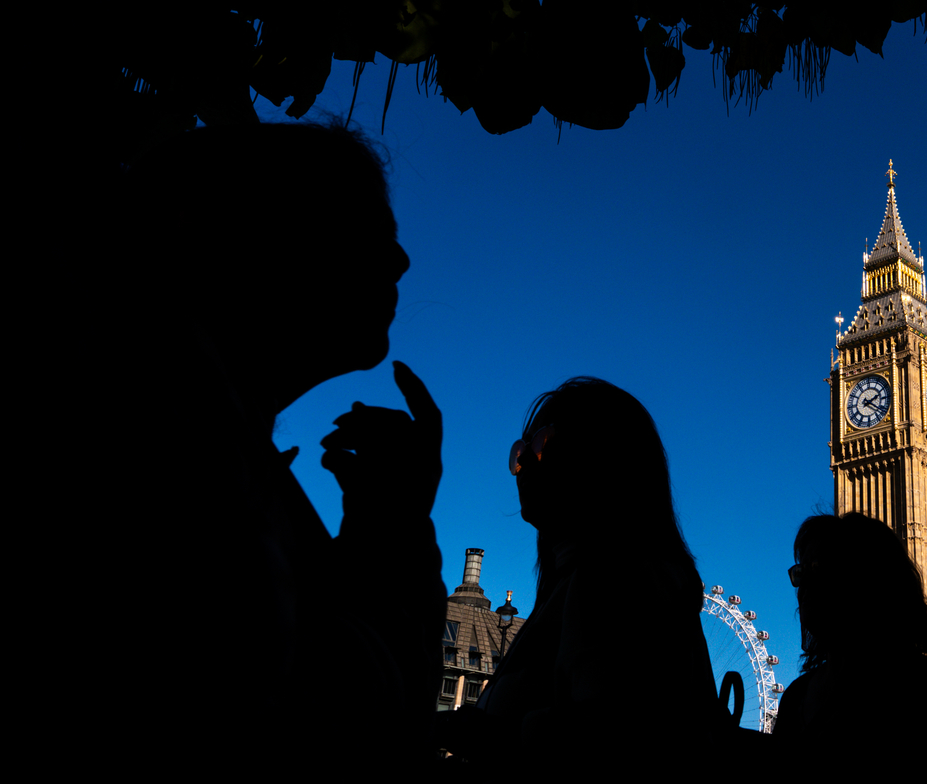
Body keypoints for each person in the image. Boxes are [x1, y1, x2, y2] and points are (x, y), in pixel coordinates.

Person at [79, 121, 445, 774]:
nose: (400, 261)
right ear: (231, 232)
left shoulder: (212, 428)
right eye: (362, 225)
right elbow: (349, 726)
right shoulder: (171, 426)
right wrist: (394, 525)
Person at [436, 377, 723, 771]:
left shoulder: (617, 582)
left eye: (543, 445)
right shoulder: (575, 584)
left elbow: (612, 739)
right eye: (520, 452)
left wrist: (489, 736)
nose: (523, 465)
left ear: (605, 457)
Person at [773, 513, 927, 783]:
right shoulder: (795, 698)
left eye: (817, 568)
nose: (805, 585)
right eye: (800, 572)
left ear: (869, 579)